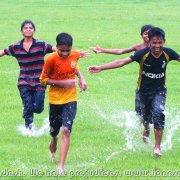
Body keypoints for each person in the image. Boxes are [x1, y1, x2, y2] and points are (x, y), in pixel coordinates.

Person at [88, 27, 180, 157]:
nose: (157, 46)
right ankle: (146, 129)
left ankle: (157, 147)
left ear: (164, 42)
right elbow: (121, 62)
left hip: (160, 91)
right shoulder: (142, 53)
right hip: (143, 92)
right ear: (149, 42)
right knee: (145, 117)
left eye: (160, 43)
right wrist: (101, 68)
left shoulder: (168, 53)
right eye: (154, 43)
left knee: (158, 114)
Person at [40, 32, 88, 173]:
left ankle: (61, 166)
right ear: (56, 47)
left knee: (66, 130)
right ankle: (54, 139)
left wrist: (82, 79)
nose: (65, 53)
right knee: (55, 130)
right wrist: (62, 83)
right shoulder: (51, 59)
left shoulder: (75, 54)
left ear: (71, 47)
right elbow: (43, 80)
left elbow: (75, 66)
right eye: (62, 50)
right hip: (55, 99)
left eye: (68, 50)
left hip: (70, 98)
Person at [0, 20, 57, 130]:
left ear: (34, 31)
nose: (28, 29)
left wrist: (70, 53)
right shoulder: (15, 46)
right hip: (24, 81)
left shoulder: (41, 45)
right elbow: (3, 52)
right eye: (25, 28)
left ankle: (28, 111)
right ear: (21, 31)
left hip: (40, 81)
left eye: (30, 28)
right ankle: (29, 129)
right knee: (28, 105)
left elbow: (56, 49)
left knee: (39, 108)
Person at [92, 25, 153, 117]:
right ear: (141, 35)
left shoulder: (159, 48)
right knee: (139, 110)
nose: (147, 35)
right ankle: (146, 128)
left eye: (150, 33)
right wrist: (102, 50)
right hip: (142, 83)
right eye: (145, 33)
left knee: (153, 109)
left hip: (157, 83)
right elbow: (120, 52)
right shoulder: (139, 48)